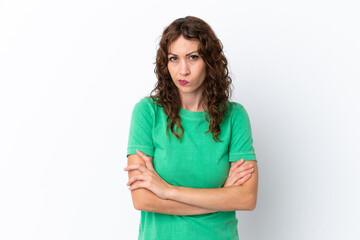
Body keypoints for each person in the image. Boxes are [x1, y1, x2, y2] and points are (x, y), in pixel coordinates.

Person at [124, 16, 258, 240]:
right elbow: (142, 199)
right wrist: (222, 197)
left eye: (193, 57)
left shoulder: (234, 116)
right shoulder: (147, 112)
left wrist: (167, 191)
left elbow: (246, 199)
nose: (182, 70)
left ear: (210, 61)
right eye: (174, 58)